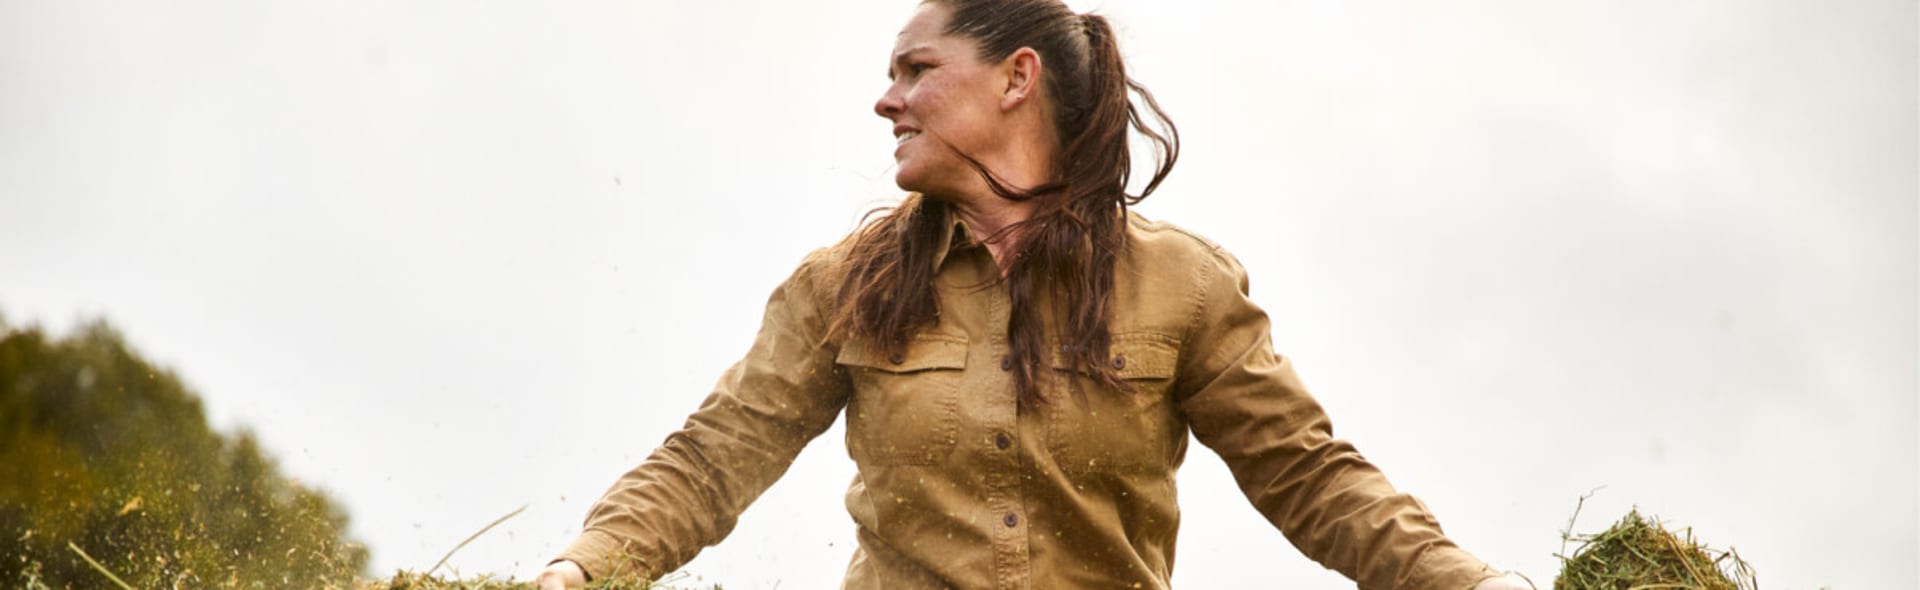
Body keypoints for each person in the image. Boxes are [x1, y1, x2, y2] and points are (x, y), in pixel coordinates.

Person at [538, 1, 1533, 588]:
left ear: (1015, 79)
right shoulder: (837, 285)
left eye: (915, 71)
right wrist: (580, 569)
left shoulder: (1183, 283)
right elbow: (707, 463)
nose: (886, 99)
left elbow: (1313, 478)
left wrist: (1472, 582)